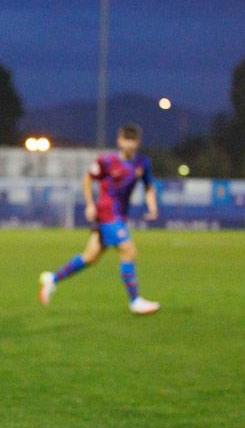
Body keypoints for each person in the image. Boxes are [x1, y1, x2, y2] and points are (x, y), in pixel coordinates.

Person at [39, 124, 161, 315]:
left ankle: (52, 279)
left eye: (133, 140)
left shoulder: (142, 164)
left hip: (119, 215)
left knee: (90, 257)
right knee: (129, 251)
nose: (129, 144)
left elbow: (149, 187)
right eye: (126, 139)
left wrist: (152, 206)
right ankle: (135, 301)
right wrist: (89, 204)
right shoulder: (106, 162)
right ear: (119, 141)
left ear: (137, 142)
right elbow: (87, 179)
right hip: (107, 213)